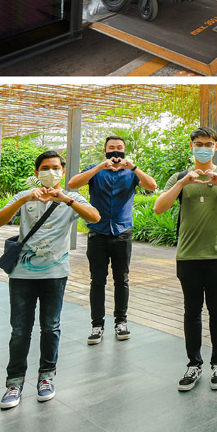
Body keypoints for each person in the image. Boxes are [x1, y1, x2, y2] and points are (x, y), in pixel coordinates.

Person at [0, 150, 100, 410]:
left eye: (55, 167)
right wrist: (23, 199)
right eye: (45, 167)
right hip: (22, 275)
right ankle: (14, 382)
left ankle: (46, 377)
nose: (50, 172)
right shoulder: (25, 196)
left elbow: (95, 218)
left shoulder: (71, 198)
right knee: (20, 331)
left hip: (55, 274)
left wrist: (67, 200)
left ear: (63, 171)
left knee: (51, 327)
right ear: (37, 172)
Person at [153, 127, 217, 392]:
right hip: (188, 256)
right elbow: (159, 208)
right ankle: (194, 364)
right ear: (191, 146)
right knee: (191, 311)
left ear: (216, 147)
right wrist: (183, 183)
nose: (203, 147)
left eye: (208, 143)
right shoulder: (179, 177)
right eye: (198, 143)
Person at [68, 135, 157, 345]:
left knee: (122, 280)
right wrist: (100, 166)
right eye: (111, 148)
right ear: (105, 151)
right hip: (97, 234)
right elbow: (72, 184)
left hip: (122, 234)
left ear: (125, 151)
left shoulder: (131, 172)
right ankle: (97, 325)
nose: (115, 152)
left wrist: (133, 167)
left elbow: (152, 186)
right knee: (97, 281)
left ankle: (121, 322)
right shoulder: (95, 170)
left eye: (119, 148)